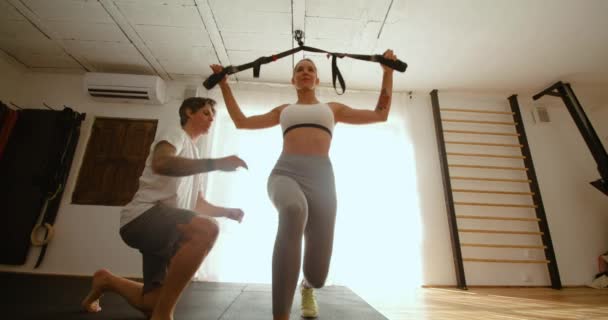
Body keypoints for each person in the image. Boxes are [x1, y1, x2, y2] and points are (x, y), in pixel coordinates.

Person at [210, 49, 397, 320]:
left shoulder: (332, 109)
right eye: (300, 70)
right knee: (293, 210)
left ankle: (307, 286)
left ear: (317, 79)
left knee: (318, 275)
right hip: (285, 173)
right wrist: (225, 85)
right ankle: (281, 315)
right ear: (293, 80)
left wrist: (387, 73)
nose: (305, 72)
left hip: (322, 180)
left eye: (310, 69)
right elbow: (241, 122)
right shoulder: (284, 110)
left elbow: (380, 114)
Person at [81, 97, 248, 320]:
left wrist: (228, 212)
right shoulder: (176, 134)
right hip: (143, 217)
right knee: (207, 230)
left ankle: (106, 280)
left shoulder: (195, 154)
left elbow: (197, 204)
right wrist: (216, 163)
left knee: (150, 303)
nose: (211, 118)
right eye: (206, 113)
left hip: (166, 228)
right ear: (189, 112)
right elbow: (161, 163)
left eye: (213, 116)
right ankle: (163, 315)